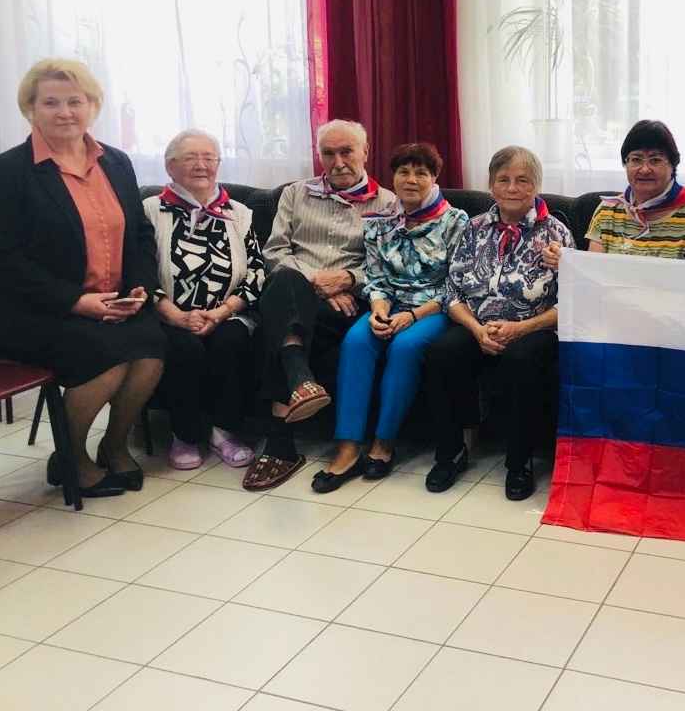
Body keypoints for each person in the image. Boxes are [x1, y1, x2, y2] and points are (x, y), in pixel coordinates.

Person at [0, 58, 164, 497]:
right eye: (51, 103)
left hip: (112, 301)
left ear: (92, 106)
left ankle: (114, 446)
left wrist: (138, 288)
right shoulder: (10, 171)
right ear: (31, 108)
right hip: (36, 311)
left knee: (153, 347)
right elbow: (4, 259)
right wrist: (76, 301)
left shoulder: (115, 162)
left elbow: (140, 234)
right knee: (105, 354)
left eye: (75, 102)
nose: (65, 112)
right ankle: (72, 458)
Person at [243, 119, 397, 491]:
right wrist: (317, 282)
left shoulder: (388, 203)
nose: (338, 162)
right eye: (329, 153)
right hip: (295, 289)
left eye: (347, 151)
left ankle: (282, 438)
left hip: (345, 305)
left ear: (365, 152)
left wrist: (348, 279)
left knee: (276, 324)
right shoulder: (295, 193)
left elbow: (387, 266)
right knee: (285, 284)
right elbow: (275, 252)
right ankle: (299, 381)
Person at [311, 142, 469, 493]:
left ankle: (384, 443)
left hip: (435, 308)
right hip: (388, 304)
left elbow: (456, 285)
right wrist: (379, 310)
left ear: (434, 178)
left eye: (421, 173)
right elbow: (375, 276)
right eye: (403, 172)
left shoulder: (456, 221)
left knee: (405, 347)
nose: (411, 180)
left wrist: (412, 316)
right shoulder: (378, 220)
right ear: (393, 176)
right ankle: (348, 446)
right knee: (356, 340)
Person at [422, 146, 574, 501]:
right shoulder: (473, 228)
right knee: (441, 353)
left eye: (523, 180)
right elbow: (452, 290)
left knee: (521, 360)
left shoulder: (556, 233)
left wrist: (521, 328)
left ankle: (519, 463)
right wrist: (476, 330)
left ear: (537, 185)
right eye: (503, 179)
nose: (512, 188)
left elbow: (571, 301)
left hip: (535, 327)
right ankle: (450, 453)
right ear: (491, 185)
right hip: (478, 325)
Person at [145, 130, 264, 471]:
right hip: (168, 314)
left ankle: (222, 431)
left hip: (228, 312)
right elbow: (138, 271)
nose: (201, 165)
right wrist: (175, 315)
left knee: (231, 341)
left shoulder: (239, 213)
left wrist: (224, 311)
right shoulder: (149, 210)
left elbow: (257, 270)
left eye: (209, 158)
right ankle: (184, 434)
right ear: (170, 166)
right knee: (184, 348)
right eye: (190, 158)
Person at [578, 120, 685, 261]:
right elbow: (593, 269)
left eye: (655, 160)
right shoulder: (607, 211)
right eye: (636, 159)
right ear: (625, 163)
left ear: (673, 165)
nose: (644, 169)